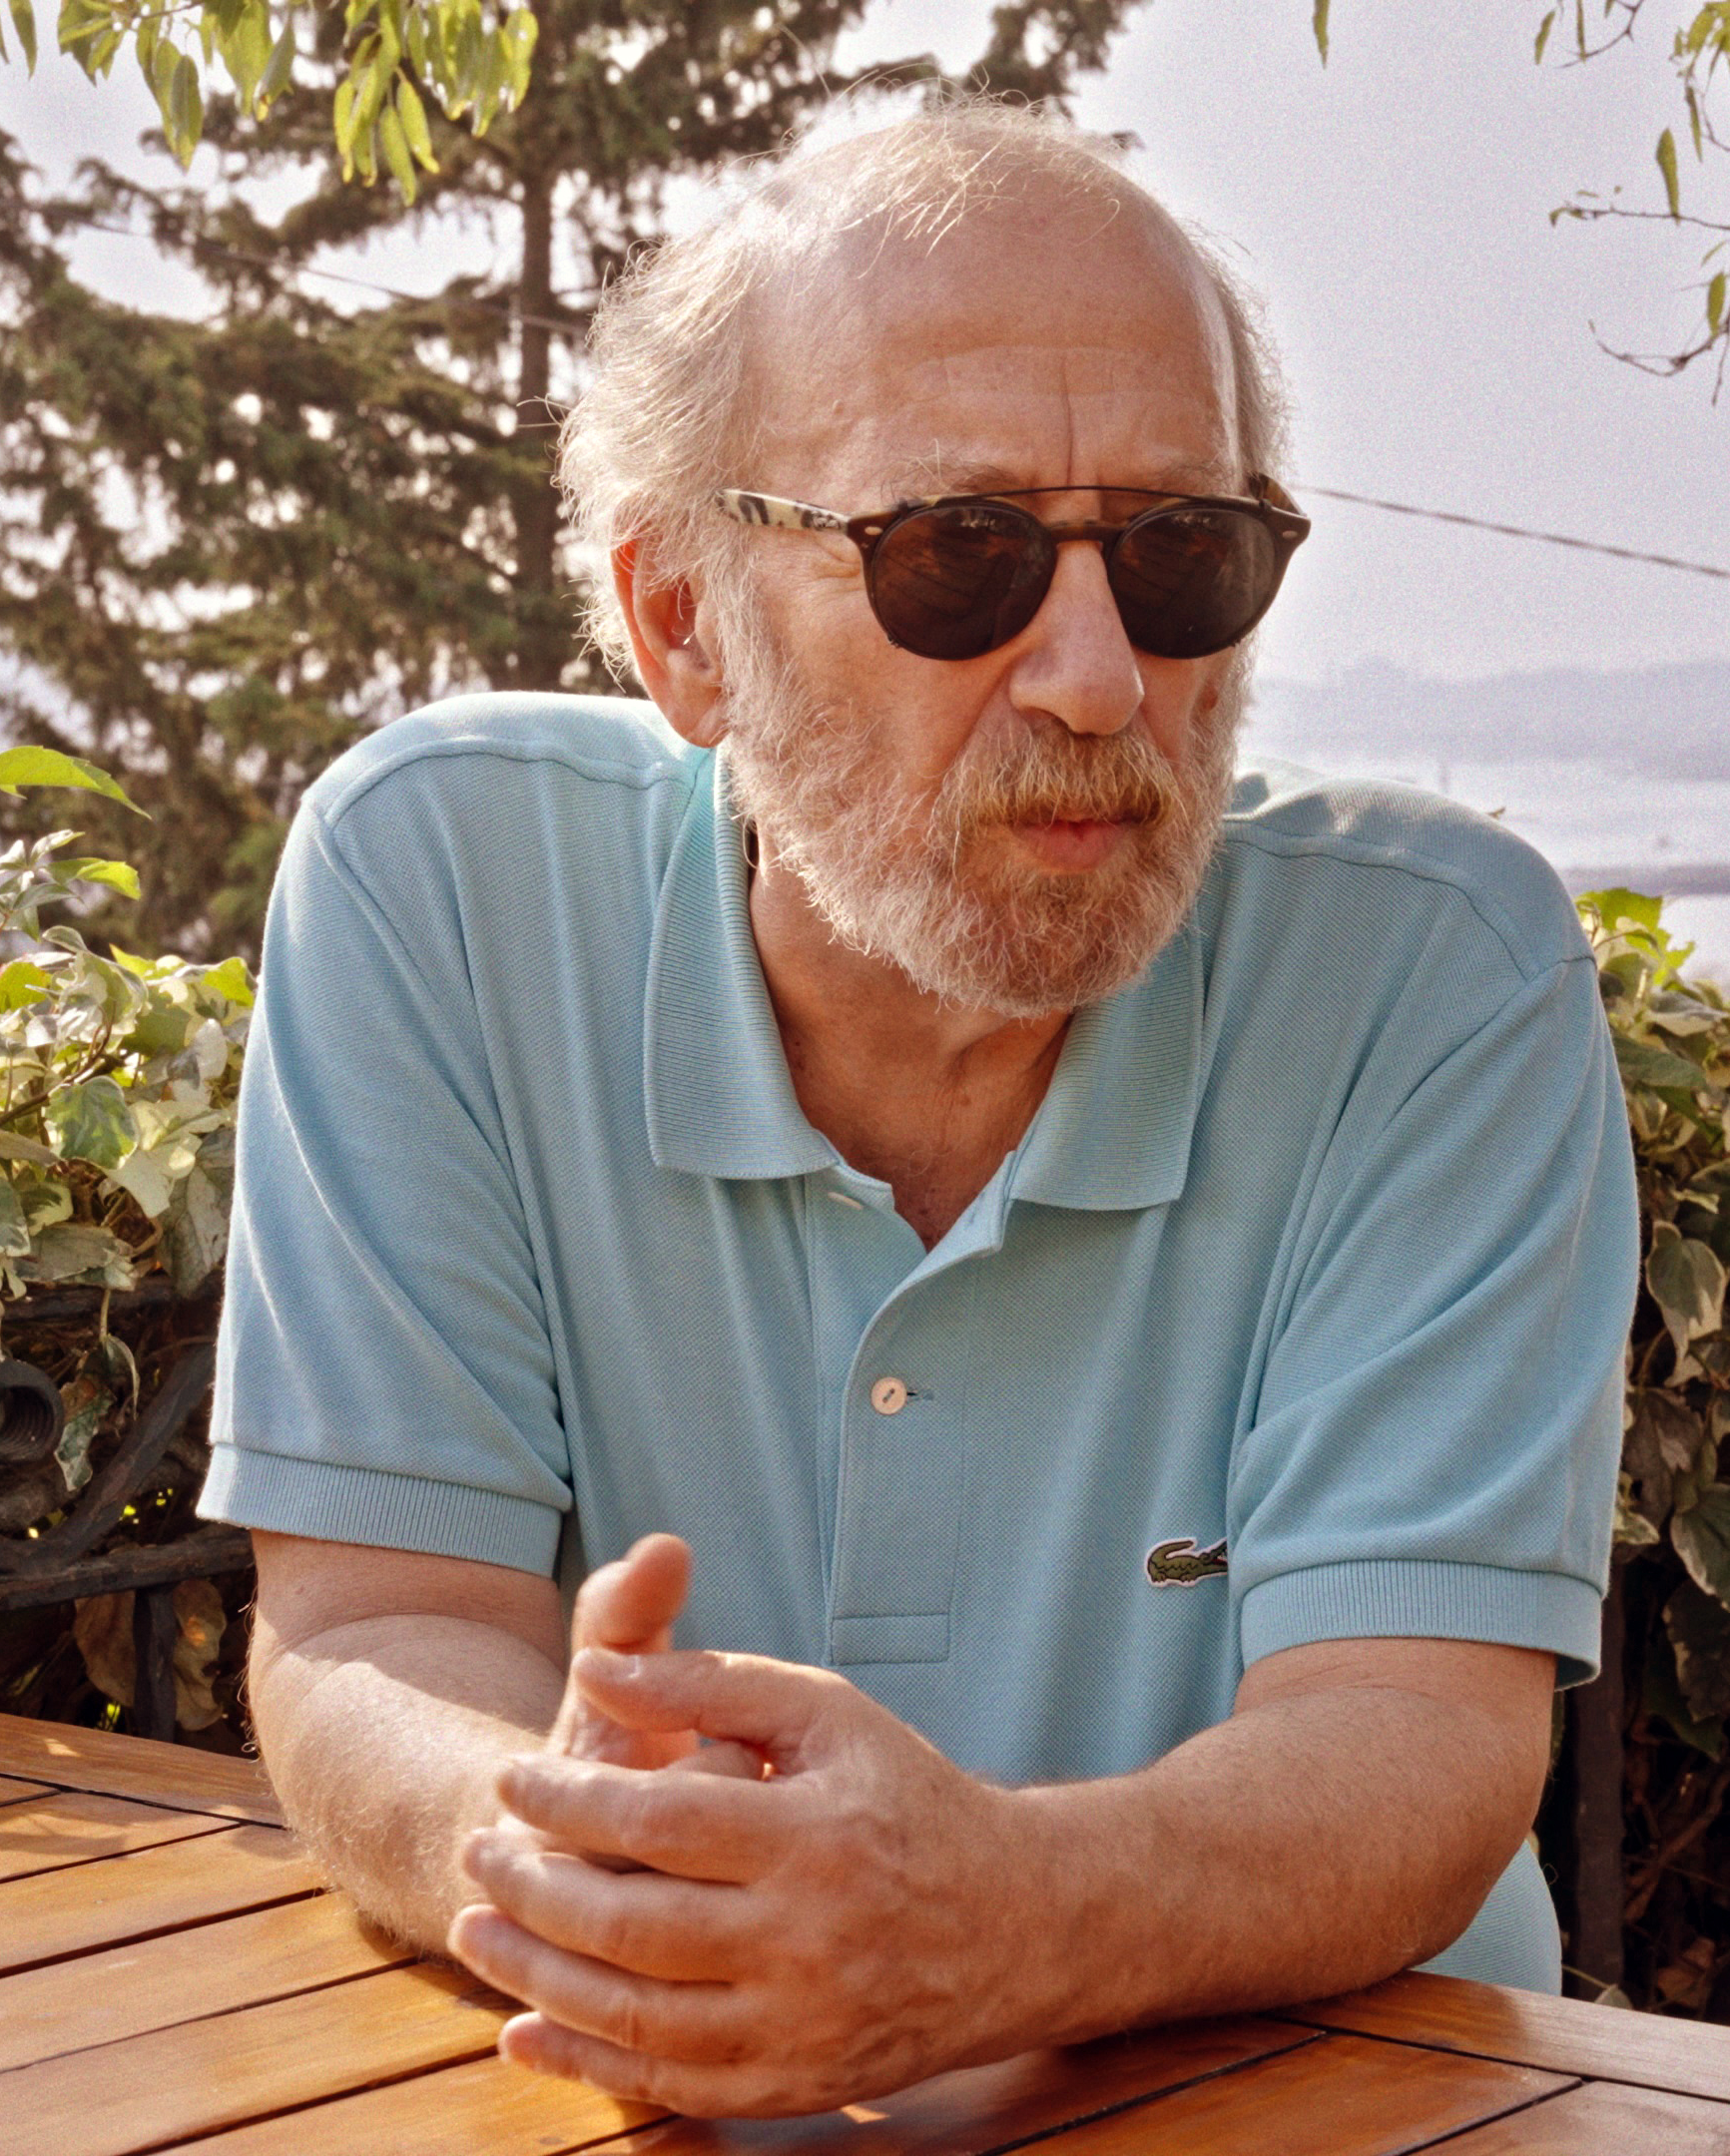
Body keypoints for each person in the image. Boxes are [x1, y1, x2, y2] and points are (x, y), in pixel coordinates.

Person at [203, 100, 1639, 2121]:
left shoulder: (1435, 973)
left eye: (1181, 553)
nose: (1098, 680)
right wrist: (574, 1863)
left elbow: (1415, 1730)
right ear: (684, 625)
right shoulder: (438, 885)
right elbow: (379, 1620)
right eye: (958, 555)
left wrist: (990, 1925)